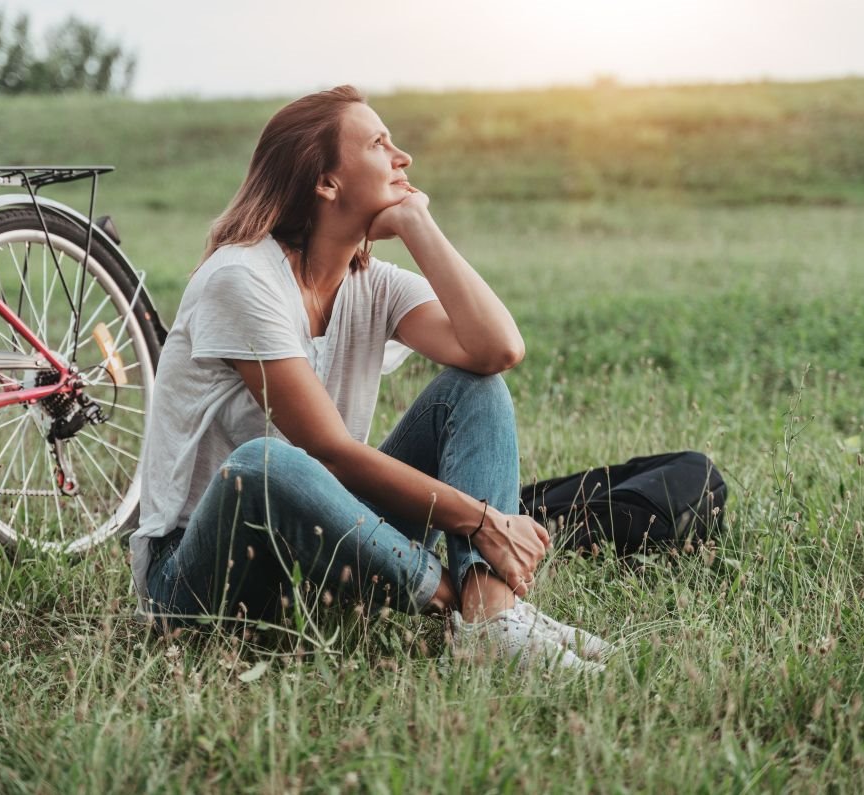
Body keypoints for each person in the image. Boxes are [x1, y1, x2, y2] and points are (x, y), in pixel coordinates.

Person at [130, 85, 612, 672]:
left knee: (474, 390)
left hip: (319, 553)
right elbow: (328, 452)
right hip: (199, 577)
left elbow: (497, 350)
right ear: (326, 182)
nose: (403, 157)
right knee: (265, 464)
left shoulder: (373, 283)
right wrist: (484, 521)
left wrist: (417, 223)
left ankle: (492, 621)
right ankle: (467, 604)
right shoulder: (241, 278)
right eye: (380, 143)